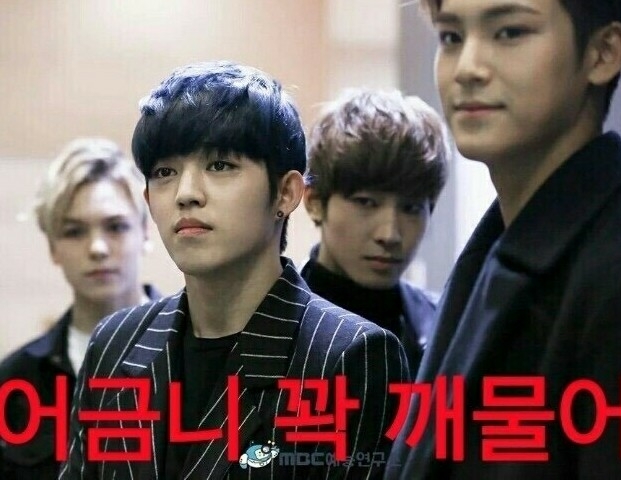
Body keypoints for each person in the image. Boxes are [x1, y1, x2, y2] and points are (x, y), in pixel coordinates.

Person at [60, 61, 408, 480]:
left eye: (220, 165)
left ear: (286, 192)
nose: (186, 194)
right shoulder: (115, 344)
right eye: (165, 172)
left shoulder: (349, 355)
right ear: (148, 199)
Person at [386, 0, 621, 478]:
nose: (467, 68)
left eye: (510, 33)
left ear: (604, 52)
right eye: (451, 37)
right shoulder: (494, 252)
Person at [0, 138, 160, 478]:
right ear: (53, 248)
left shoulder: (200, 354)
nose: (97, 248)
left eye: (115, 226)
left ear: (145, 233)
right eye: (74, 232)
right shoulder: (16, 381)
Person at [301, 88, 448, 378]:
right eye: (366, 203)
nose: (390, 235)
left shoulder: (446, 326)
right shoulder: (268, 323)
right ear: (315, 203)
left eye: (411, 208)